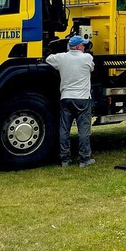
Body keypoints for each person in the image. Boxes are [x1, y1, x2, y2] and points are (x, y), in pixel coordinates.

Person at [46, 35, 96, 167]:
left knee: (64, 129)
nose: (85, 47)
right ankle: (84, 159)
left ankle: (65, 159)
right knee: (83, 130)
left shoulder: (61, 58)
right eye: (83, 45)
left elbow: (48, 59)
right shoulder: (87, 58)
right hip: (83, 99)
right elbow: (92, 68)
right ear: (79, 46)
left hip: (66, 98)